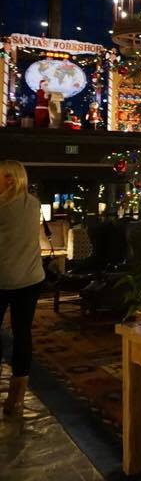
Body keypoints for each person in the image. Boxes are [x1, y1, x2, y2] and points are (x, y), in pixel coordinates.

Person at [0, 161, 46, 417]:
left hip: (4, 279)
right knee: (22, 333)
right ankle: (16, 398)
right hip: (31, 278)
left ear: (9, 179)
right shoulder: (34, 204)